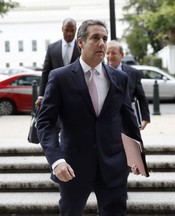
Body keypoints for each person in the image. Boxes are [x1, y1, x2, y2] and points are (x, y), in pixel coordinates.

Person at [36, 19, 142, 215]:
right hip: (72, 167)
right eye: (95, 37)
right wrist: (56, 161)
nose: (102, 43)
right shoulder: (60, 77)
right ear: (81, 42)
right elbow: (44, 122)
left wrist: (137, 155)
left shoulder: (120, 78)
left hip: (113, 165)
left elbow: (128, 119)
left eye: (104, 38)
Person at [35, 18, 80, 107]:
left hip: (77, 94)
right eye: (66, 30)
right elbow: (45, 72)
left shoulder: (81, 48)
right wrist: (41, 95)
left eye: (72, 30)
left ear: (76, 30)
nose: (69, 33)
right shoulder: (52, 48)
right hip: (56, 93)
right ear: (62, 29)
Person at [106, 40, 150, 130]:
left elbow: (141, 97)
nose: (110, 56)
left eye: (113, 53)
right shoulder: (100, 72)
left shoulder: (133, 73)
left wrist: (145, 118)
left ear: (122, 55)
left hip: (129, 120)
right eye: (107, 53)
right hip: (108, 121)